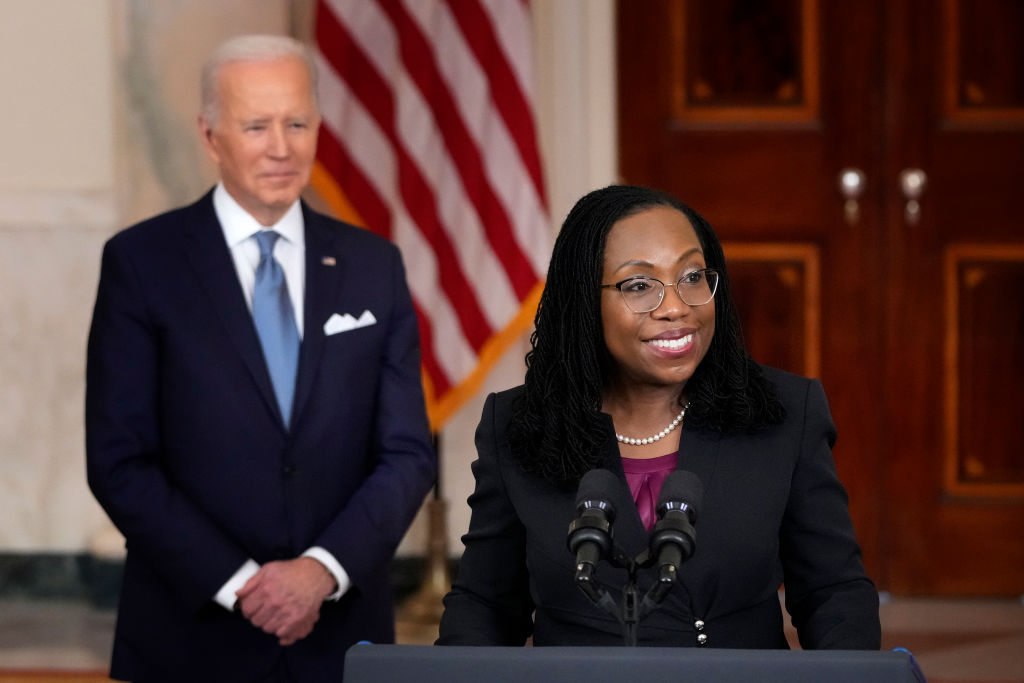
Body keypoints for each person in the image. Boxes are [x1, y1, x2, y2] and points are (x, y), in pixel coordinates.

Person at [86, 35, 437, 682]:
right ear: (210, 133)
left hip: (341, 642)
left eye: (297, 123)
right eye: (256, 125)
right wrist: (243, 584)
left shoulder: (373, 268)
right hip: (189, 641)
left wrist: (319, 571)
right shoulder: (142, 265)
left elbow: (408, 454)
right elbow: (118, 461)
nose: (281, 147)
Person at [436, 185, 880, 649]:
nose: (676, 306)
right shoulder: (519, 423)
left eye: (692, 276)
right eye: (639, 285)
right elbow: (486, 604)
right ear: (585, 300)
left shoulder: (785, 412)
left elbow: (833, 592)